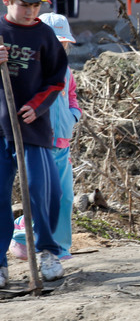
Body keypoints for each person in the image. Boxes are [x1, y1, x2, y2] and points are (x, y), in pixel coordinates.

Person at [0, 0, 68, 286]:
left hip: (32, 127)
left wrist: (37, 107)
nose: (30, 11)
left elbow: (55, 80)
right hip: (0, 128)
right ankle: (1, 263)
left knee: (45, 190)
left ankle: (48, 251)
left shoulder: (44, 35)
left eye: (35, 5)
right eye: (24, 4)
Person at [38, 13, 81, 260]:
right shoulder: (33, 70)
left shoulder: (66, 71)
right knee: (44, 197)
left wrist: (73, 115)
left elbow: (72, 97)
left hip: (63, 144)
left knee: (65, 197)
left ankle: (61, 247)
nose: (58, 47)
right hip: (39, 144)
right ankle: (24, 233)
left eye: (62, 43)